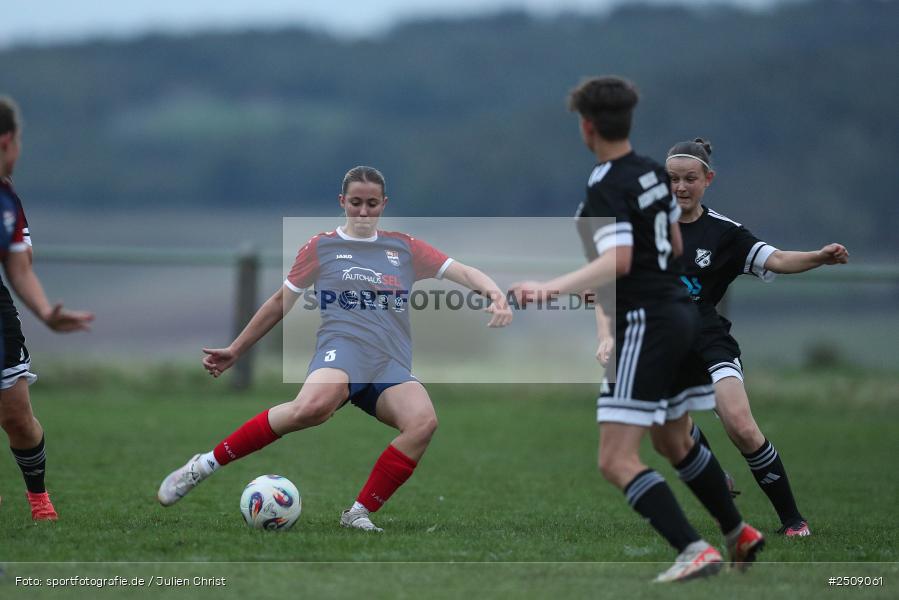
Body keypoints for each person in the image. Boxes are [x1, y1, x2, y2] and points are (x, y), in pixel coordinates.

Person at [158, 165, 512, 531]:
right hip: (343, 349)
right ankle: (202, 466)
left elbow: (466, 272)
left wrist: (495, 295)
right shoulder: (321, 247)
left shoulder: (403, 248)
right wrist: (236, 348)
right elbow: (281, 301)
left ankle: (357, 513)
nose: (363, 212)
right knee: (310, 409)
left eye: (371, 204)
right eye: (355, 202)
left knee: (423, 423)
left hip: (388, 362)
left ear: (383, 204)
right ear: (342, 201)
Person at [510, 76, 763, 582]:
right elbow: (669, 240)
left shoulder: (606, 181)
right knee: (674, 441)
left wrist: (550, 289)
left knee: (615, 459)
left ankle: (693, 549)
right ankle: (738, 532)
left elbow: (621, 257)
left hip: (646, 320)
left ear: (586, 126)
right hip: (679, 312)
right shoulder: (651, 173)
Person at [663, 138, 849, 537]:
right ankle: (714, 479)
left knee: (741, 426)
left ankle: (793, 521)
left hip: (708, 341)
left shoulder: (724, 233)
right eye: (673, 179)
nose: (680, 187)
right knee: (670, 429)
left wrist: (818, 256)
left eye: (689, 179)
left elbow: (776, 259)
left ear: (708, 179)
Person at [0, 97, 95, 520]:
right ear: (7, 141)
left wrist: (45, 312)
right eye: (19, 142)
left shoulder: (5, 199)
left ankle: (39, 499)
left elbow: (19, 268)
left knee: (17, 418)